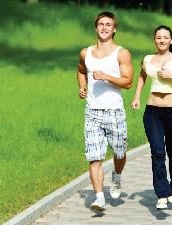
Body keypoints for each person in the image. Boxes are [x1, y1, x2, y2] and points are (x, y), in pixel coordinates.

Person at [77, 11, 133, 212]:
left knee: (120, 151)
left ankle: (117, 175)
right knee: (94, 156)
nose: (104, 27)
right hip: (92, 112)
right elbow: (81, 70)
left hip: (114, 111)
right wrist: (82, 87)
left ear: (114, 29)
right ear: (96, 27)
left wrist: (107, 77)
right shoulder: (86, 53)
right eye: (101, 24)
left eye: (108, 24)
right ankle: (99, 197)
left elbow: (128, 82)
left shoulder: (121, 53)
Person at [131, 25, 172, 210]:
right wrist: (137, 97)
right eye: (159, 37)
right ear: (154, 40)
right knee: (157, 152)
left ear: (171, 40)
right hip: (152, 112)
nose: (162, 40)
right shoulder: (148, 59)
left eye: (166, 37)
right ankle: (162, 194)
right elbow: (142, 76)